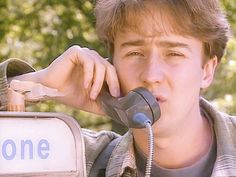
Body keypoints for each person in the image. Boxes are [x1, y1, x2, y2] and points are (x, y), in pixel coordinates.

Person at [0, 0, 235, 176]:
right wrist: (36, 85)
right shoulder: (73, 157)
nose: (151, 75)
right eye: (134, 53)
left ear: (207, 71)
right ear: (112, 65)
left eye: (174, 53)